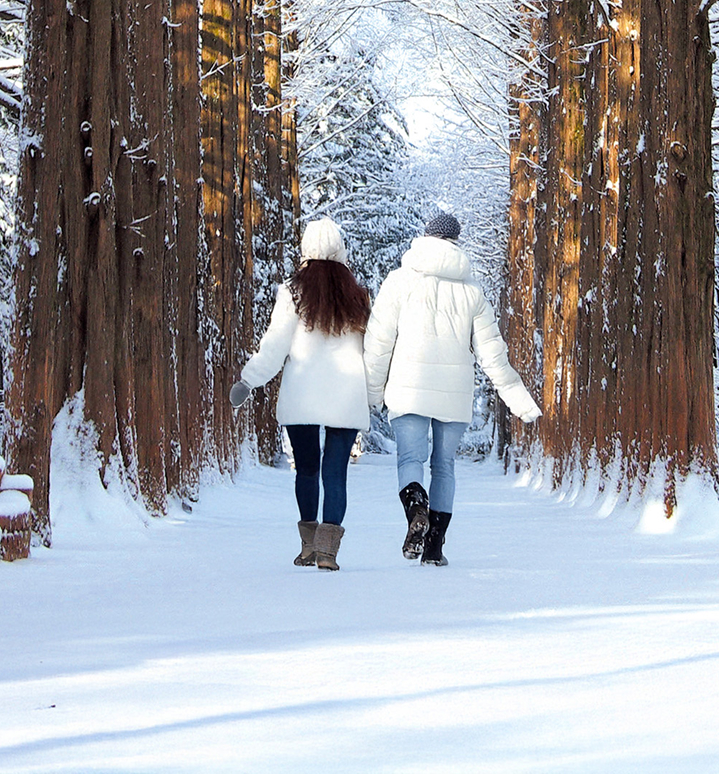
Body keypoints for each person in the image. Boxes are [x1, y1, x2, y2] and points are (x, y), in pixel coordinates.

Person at [364, 212, 540, 567]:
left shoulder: (398, 282)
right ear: (456, 243)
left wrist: (369, 396)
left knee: (410, 459)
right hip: (454, 394)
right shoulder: (472, 292)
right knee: (444, 466)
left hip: (408, 390)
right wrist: (523, 404)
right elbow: (494, 356)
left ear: (425, 238)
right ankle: (434, 548)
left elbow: (378, 344)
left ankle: (416, 507)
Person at [230, 217, 370, 571]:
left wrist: (250, 379)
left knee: (306, 468)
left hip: (303, 392)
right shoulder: (359, 295)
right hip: (346, 395)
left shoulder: (292, 291)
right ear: (340, 249)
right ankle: (327, 552)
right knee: (335, 472)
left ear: (305, 249)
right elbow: (374, 348)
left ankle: (308, 546)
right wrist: (380, 390)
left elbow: (275, 345)